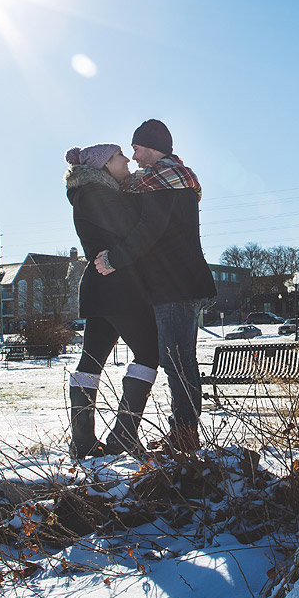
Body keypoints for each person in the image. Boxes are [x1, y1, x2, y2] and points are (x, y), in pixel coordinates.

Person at [95, 119, 216, 454]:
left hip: (176, 285)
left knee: (177, 362)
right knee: (178, 361)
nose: (133, 157)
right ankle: (183, 435)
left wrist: (114, 259)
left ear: (151, 146)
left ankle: (184, 438)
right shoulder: (164, 179)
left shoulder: (164, 181)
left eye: (135, 148)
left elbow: (151, 230)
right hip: (175, 284)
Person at [63, 143, 159, 457]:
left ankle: (84, 441)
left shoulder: (93, 192)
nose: (127, 160)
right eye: (119, 156)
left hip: (103, 285)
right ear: (104, 165)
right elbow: (129, 226)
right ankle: (123, 434)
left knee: (91, 360)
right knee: (149, 351)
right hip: (117, 285)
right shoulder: (93, 194)